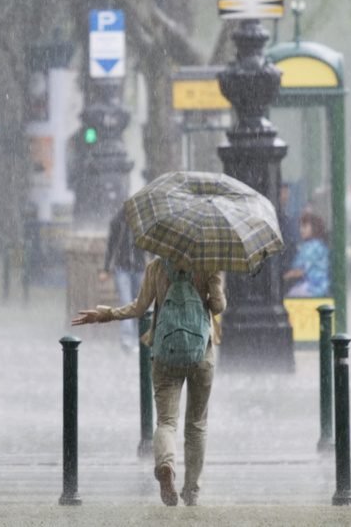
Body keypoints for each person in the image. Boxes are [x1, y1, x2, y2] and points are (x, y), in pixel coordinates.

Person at [72, 258, 226, 507]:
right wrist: (211, 288)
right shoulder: (209, 263)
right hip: (201, 353)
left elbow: (139, 307)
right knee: (196, 424)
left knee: (166, 421)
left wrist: (107, 314)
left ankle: (166, 464)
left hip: (166, 352)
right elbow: (218, 306)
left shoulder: (158, 266)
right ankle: (191, 491)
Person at [101, 209, 148, 353]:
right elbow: (111, 246)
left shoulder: (144, 223)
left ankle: (136, 338)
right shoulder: (118, 221)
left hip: (138, 269)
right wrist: (106, 268)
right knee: (126, 302)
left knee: (138, 303)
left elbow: (150, 245)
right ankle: (127, 339)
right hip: (122, 269)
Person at [284, 211, 330, 298]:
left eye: (304, 227)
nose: (301, 230)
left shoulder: (312, 248)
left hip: (312, 289)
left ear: (314, 228)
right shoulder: (317, 245)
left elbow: (299, 271)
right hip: (318, 287)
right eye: (300, 226)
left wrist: (283, 278)